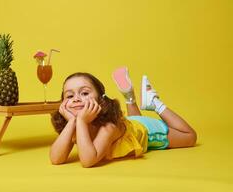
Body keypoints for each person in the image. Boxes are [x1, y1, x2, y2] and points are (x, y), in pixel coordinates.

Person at [50, 68, 197, 168]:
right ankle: (130, 98)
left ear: (101, 100)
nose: (76, 99)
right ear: (63, 102)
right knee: (134, 121)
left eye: (84, 93)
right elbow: (56, 159)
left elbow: (88, 160)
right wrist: (72, 122)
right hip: (131, 125)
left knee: (190, 137)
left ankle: (155, 103)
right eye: (69, 96)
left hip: (146, 130)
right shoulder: (74, 125)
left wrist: (80, 121)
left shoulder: (109, 127)